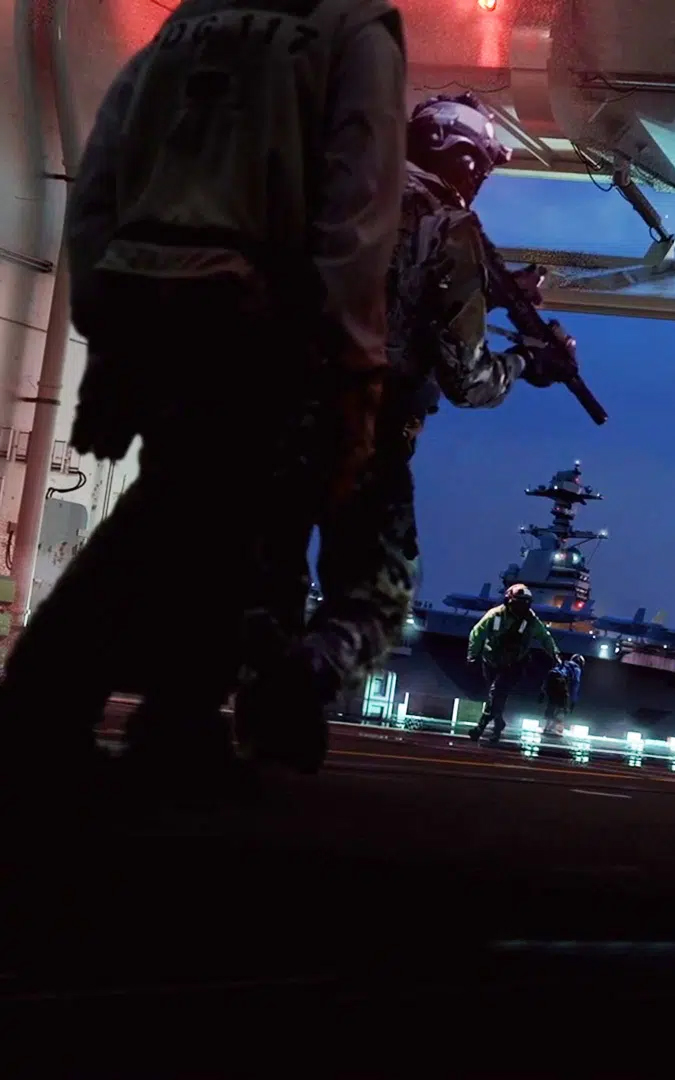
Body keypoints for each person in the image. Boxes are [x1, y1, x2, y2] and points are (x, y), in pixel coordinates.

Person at [0, 0, 408, 795]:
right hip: (248, 303)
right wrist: (353, 361)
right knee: (202, 513)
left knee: (204, 514)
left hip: (145, 288)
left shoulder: (186, 21)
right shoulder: (355, 27)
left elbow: (104, 165)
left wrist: (106, 316)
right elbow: (359, 201)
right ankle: (54, 709)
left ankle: (168, 721)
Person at [235, 92, 543, 772]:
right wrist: (526, 361)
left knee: (272, 582)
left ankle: (262, 732)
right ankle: (296, 697)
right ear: (466, 161)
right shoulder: (449, 227)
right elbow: (468, 380)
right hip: (366, 435)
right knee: (376, 597)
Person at [466, 584, 560, 745]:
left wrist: (554, 653)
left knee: (496, 692)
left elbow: (544, 637)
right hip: (491, 662)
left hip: (514, 664)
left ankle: (482, 728)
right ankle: (498, 723)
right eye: (518, 603)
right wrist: (472, 656)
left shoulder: (530, 619)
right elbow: (477, 633)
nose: (521, 607)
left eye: (524, 603)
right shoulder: (495, 615)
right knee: (496, 697)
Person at [542, 653, 586, 736]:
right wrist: (573, 701)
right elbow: (575, 684)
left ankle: (546, 727)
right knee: (563, 707)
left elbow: (550, 674)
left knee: (552, 703)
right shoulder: (576, 668)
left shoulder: (564, 664)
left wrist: (543, 691)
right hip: (560, 681)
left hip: (551, 679)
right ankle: (553, 728)